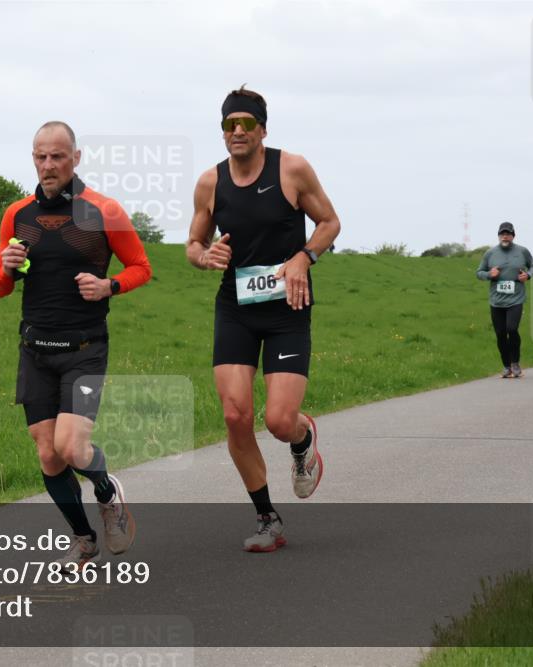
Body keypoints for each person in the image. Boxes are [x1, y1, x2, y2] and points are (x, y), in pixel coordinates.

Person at [0, 121, 152, 570]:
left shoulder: (104, 211)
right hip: (35, 350)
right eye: (40, 156)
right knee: (47, 453)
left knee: (72, 448)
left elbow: (141, 266)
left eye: (57, 156)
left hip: (84, 348)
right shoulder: (17, 215)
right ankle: (84, 540)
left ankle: (107, 492)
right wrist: (6, 268)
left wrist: (108, 286)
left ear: (75, 158)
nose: (48, 165)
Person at [186, 86, 341, 552]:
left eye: (246, 123)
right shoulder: (210, 182)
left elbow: (330, 222)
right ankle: (266, 517)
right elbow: (193, 243)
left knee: (278, 420)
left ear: (262, 129)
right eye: (229, 124)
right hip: (235, 307)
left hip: (287, 308)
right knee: (235, 415)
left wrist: (303, 258)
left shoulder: (291, 169)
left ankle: (302, 439)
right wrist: (204, 256)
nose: (237, 130)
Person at [476, 222, 533, 378]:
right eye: (502, 234)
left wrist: (528, 275)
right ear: (498, 236)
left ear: (513, 236)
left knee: (512, 329)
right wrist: (489, 274)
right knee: (500, 334)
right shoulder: (490, 253)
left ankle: (515, 363)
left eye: (508, 234)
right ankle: (506, 366)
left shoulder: (522, 251)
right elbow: (479, 272)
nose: (505, 236)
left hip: (516, 299)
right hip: (496, 301)